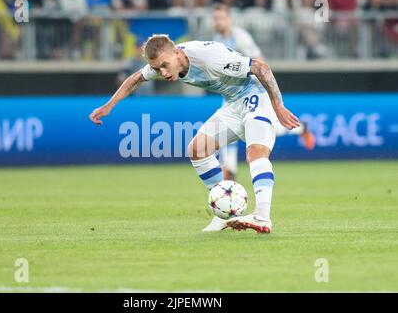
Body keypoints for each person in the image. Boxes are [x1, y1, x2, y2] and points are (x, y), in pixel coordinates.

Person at [89, 34, 301, 234]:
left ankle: (262, 217)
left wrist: (278, 106)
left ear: (177, 53)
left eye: (164, 65)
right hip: (232, 105)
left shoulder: (210, 59)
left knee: (256, 153)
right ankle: (223, 214)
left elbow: (260, 67)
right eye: (157, 68)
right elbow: (136, 78)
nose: (162, 72)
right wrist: (109, 106)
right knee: (198, 149)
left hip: (257, 98)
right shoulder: (165, 62)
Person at [213, 3, 315, 181]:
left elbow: (259, 61)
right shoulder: (217, 39)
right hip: (231, 93)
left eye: (221, 18)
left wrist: (264, 88)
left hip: (250, 90)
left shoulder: (240, 38)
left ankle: (301, 128)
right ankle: (229, 170)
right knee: (225, 127)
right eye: (215, 19)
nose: (218, 22)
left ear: (229, 19)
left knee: (268, 127)